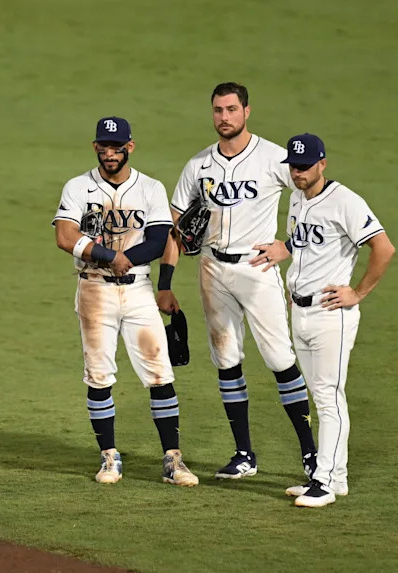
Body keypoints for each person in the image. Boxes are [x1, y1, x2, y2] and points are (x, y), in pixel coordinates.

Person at [157, 82, 318, 480]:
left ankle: (312, 455)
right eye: (217, 110)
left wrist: (289, 244)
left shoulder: (273, 158)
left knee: (280, 359)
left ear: (247, 111)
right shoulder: (199, 165)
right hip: (213, 270)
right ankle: (244, 454)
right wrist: (165, 282)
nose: (224, 117)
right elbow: (175, 226)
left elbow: (315, 195)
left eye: (231, 109)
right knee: (226, 360)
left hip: (257, 270)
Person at [52, 116, 199, 487]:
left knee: (159, 371)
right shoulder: (77, 187)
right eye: (104, 146)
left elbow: (160, 238)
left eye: (117, 147)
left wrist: (125, 260)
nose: (110, 153)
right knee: (99, 375)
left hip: (138, 291)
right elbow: (65, 236)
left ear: (129, 147)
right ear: (95, 147)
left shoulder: (149, 188)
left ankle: (173, 459)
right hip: (94, 289)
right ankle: (109, 457)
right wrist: (106, 256)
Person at [251, 133, 395, 507]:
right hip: (300, 310)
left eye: (304, 167)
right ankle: (338, 477)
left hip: (332, 314)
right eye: (293, 167)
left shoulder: (345, 201)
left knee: (329, 397)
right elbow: (300, 239)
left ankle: (324, 483)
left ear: (322, 163)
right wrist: (284, 251)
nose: (297, 174)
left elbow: (383, 247)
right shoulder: (298, 198)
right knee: (322, 396)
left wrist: (358, 292)